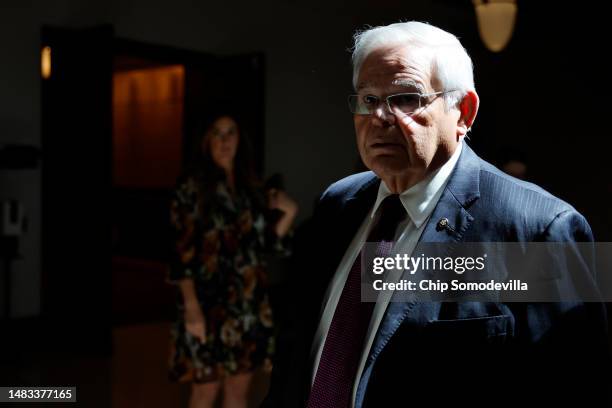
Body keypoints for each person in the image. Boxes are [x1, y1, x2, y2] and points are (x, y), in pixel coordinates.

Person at [263, 21, 611, 407]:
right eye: (368, 99)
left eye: (406, 98)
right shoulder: (338, 204)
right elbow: (296, 359)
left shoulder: (538, 230)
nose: (381, 117)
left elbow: (578, 388)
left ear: (463, 112)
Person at [167, 112, 298, 408]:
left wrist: (288, 213)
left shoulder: (251, 188)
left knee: (239, 394)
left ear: (241, 140)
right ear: (207, 140)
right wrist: (191, 308)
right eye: (218, 133)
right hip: (206, 303)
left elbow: (265, 247)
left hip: (248, 304)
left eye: (231, 133)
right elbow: (180, 253)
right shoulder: (192, 188)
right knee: (205, 392)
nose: (225, 141)